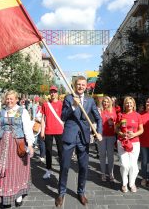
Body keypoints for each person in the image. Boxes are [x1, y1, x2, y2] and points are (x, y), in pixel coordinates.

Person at [55, 76, 102, 207]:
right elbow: (63, 116)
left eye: (83, 85)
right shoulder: (69, 98)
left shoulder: (90, 100)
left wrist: (99, 132)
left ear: (86, 86)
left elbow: (99, 118)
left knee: (83, 167)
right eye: (78, 84)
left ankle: (81, 192)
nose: (80, 87)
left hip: (83, 138)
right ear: (75, 86)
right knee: (64, 166)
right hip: (69, 137)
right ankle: (61, 193)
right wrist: (74, 106)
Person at [0, 90, 34, 208]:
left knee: (16, 169)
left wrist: (30, 144)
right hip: (3, 144)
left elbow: (27, 128)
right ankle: (3, 193)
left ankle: (18, 194)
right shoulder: (2, 112)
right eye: (8, 99)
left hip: (17, 144)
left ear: (16, 99)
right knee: (2, 169)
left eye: (12, 99)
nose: (9, 101)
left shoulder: (22, 111)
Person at [116, 96, 144, 193]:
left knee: (133, 165)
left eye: (130, 103)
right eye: (127, 103)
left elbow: (141, 130)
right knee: (124, 164)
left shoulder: (138, 115)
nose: (129, 104)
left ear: (133, 105)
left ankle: (132, 184)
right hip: (122, 142)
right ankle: (124, 184)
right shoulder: (120, 115)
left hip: (135, 143)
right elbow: (116, 129)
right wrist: (121, 134)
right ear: (124, 104)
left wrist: (134, 134)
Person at [41, 85, 64, 179]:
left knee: (61, 151)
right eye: (51, 92)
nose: (52, 93)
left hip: (59, 130)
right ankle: (48, 170)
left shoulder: (61, 104)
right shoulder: (45, 104)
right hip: (48, 131)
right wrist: (42, 131)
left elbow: (64, 117)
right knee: (48, 151)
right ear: (49, 93)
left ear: (57, 93)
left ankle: (62, 169)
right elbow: (43, 118)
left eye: (54, 92)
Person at [98, 96, 117, 181]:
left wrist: (113, 123)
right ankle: (103, 173)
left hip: (111, 135)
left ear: (110, 102)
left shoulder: (113, 111)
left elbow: (117, 123)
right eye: (104, 102)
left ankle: (111, 173)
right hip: (101, 136)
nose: (105, 103)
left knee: (110, 156)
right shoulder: (99, 110)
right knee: (102, 155)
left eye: (107, 102)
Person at [140, 97, 149, 187]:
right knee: (144, 162)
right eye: (148, 102)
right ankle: (144, 178)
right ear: (145, 103)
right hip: (143, 142)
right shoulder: (140, 114)